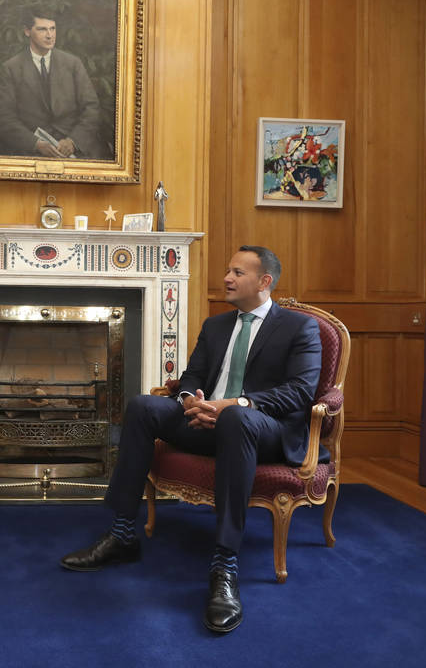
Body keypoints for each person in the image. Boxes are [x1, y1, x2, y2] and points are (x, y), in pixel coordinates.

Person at [60, 245, 321, 633]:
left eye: (237, 272)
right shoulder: (216, 326)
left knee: (235, 418)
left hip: (262, 428)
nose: (227, 278)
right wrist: (190, 402)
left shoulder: (299, 327)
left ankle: (225, 564)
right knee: (143, 406)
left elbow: (300, 392)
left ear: (265, 282)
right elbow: (192, 376)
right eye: (227, 270)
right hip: (205, 420)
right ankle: (122, 533)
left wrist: (235, 404)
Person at [0, 10, 109, 160]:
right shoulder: (12, 68)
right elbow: (4, 117)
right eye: (42, 29)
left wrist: (73, 141)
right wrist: (36, 144)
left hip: (74, 149)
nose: (49, 35)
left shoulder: (73, 64)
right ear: (27, 31)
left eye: (52, 28)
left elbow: (91, 108)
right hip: (30, 151)